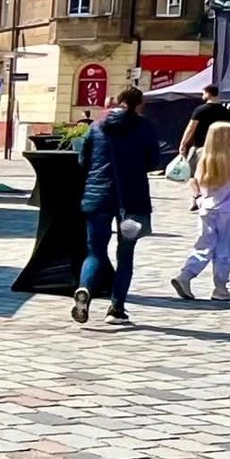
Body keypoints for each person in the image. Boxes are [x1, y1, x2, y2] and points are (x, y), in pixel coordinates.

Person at [73, 87, 162, 326]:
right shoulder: (144, 127)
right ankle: (116, 308)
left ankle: (84, 290)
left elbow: (83, 159)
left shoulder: (97, 126)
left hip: (98, 198)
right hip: (132, 201)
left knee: (95, 252)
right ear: (139, 104)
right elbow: (154, 162)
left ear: (118, 101)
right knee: (126, 254)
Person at [172, 121, 230, 303]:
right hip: (229, 209)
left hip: (206, 207)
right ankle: (220, 287)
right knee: (226, 247)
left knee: (203, 244)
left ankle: (186, 275)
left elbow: (195, 182)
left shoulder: (202, 160)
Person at [176, 84, 230, 164]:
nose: (202, 96)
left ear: (208, 94)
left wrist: (183, 143)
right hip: (220, 149)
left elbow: (191, 128)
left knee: (196, 172)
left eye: (203, 93)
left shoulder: (200, 110)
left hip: (201, 146)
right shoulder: (226, 112)